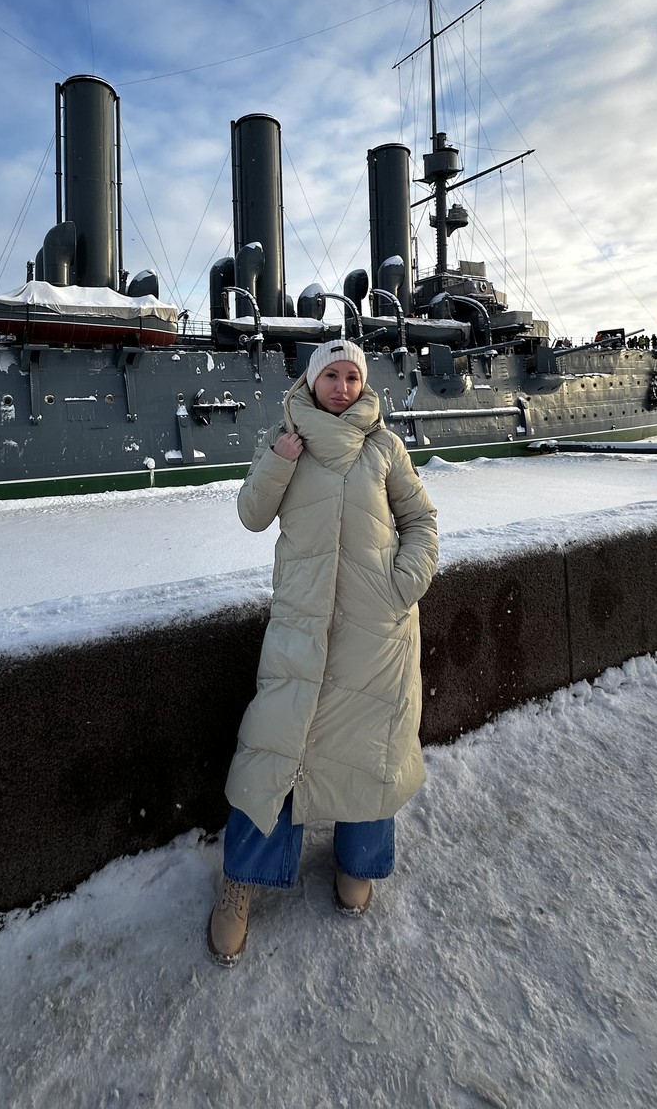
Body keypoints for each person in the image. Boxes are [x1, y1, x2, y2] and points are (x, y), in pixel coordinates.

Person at [207, 340, 439, 966]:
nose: (341, 386)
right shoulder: (286, 442)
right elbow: (252, 515)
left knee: (370, 746)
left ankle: (359, 861)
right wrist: (279, 462)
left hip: (376, 629)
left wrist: (404, 582)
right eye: (330, 375)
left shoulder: (386, 448)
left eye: (352, 376)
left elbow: (421, 521)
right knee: (275, 744)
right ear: (311, 383)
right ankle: (241, 882)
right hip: (303, 623)